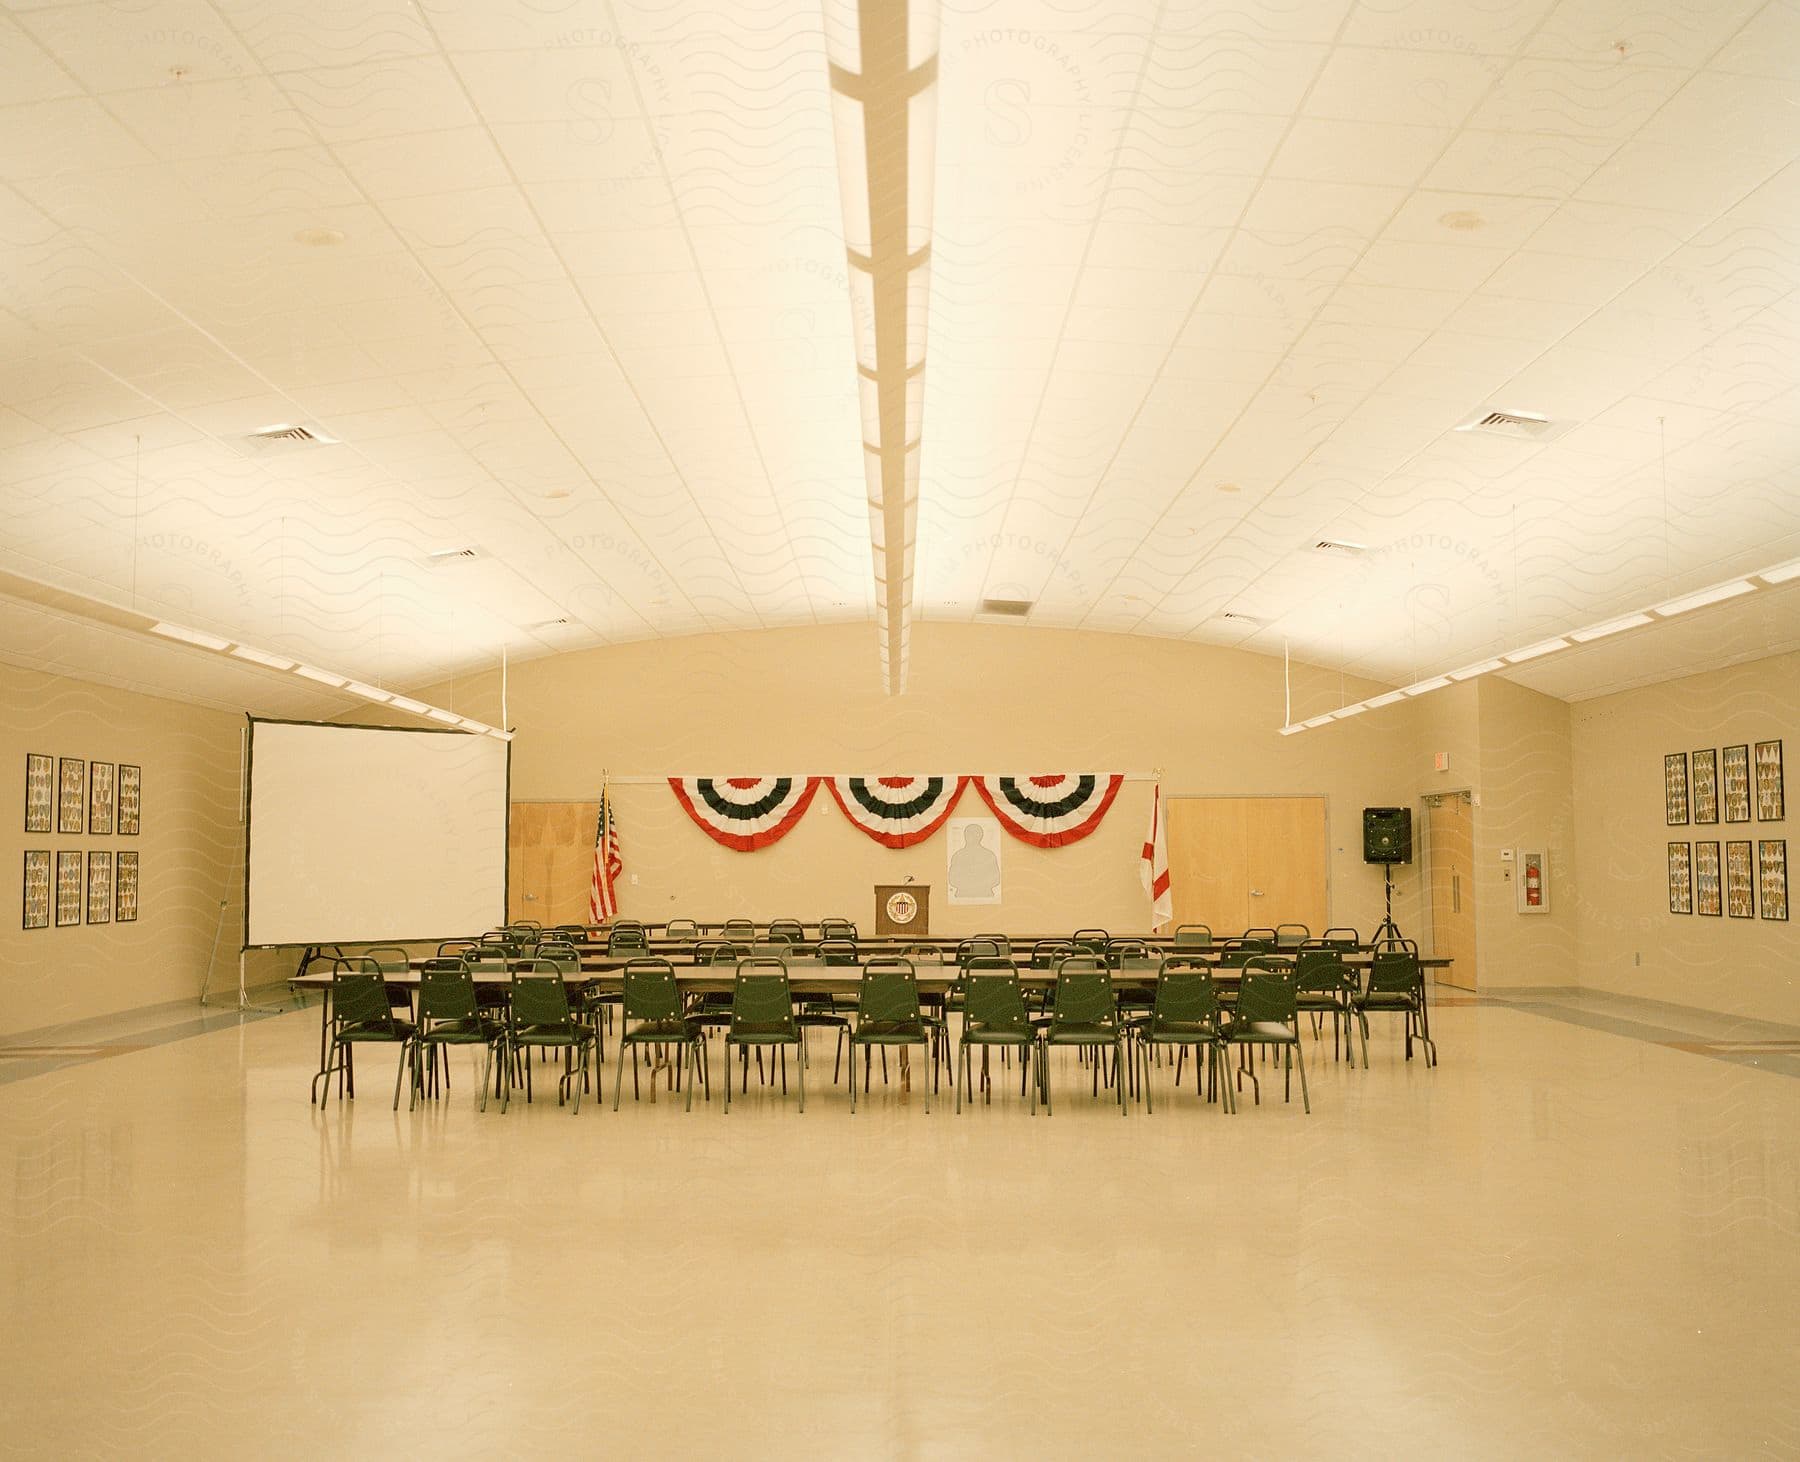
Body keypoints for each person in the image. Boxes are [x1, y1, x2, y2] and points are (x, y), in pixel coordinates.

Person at [948, 823, 1000, 899]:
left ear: (980, 836)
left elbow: (996, 879)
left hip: (985, 896)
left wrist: (979, 883)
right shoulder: (958, 856)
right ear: (965, 836)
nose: (971, 837)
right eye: (969, 834)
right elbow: (952, 879)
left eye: (975, 834)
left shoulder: (989, 855)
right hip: (962, 896)